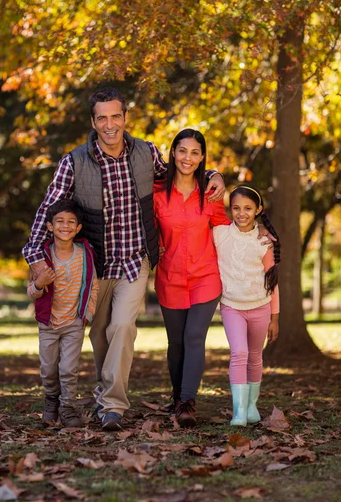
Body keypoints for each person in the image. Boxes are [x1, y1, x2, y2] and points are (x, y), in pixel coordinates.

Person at [22, 87, 225, 432]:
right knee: (99, 333)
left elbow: (183, 171)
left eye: (116, 116)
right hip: (97, 266)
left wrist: (213, 174)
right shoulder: (74, 162)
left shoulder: (146, 152)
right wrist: (34, 256)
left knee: (122, 327)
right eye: (102, 117)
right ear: (93, 121)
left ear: (125, 117)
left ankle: (113, 406)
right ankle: (105, 396)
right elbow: (48, 210)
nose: (110, 124)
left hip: (135, 260)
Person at [153, 129, 231, 428]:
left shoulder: (211, 194)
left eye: (195, 152)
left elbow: (225, 229)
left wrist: (258, 235)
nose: (188, 158)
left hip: (205, 276)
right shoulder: (157, 192)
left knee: (194, 336)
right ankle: (177, 397)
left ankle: (188, 402)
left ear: (202, 158)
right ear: (173, 153)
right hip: (170, 276)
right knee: (176, 344)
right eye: (182, 151)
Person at [27, 199, 99, 428]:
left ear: (78, 228)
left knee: (69, 369)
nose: (65, 226)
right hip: (48, 324)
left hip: (73, 323)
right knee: (48, 369)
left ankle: (68, 407)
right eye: (59, 221)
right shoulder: (41, 257)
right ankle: (51, 401)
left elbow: (93, 285)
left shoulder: (85, 253)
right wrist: (39, 283)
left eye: (71, 222)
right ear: (49, 226)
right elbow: (31, 292)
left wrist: (86, 314)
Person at [213, 185, 280, 427]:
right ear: (230, 209)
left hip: (261, 307)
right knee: (239, 352)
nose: (242, 213)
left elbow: (272, 282)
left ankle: (252, 406)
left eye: (248, 208)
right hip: (232, 306)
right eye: (236, 208)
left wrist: (275, 317)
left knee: (255, 356)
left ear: (258, 210)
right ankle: (239, 411)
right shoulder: (219, 234)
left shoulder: (264, 241)